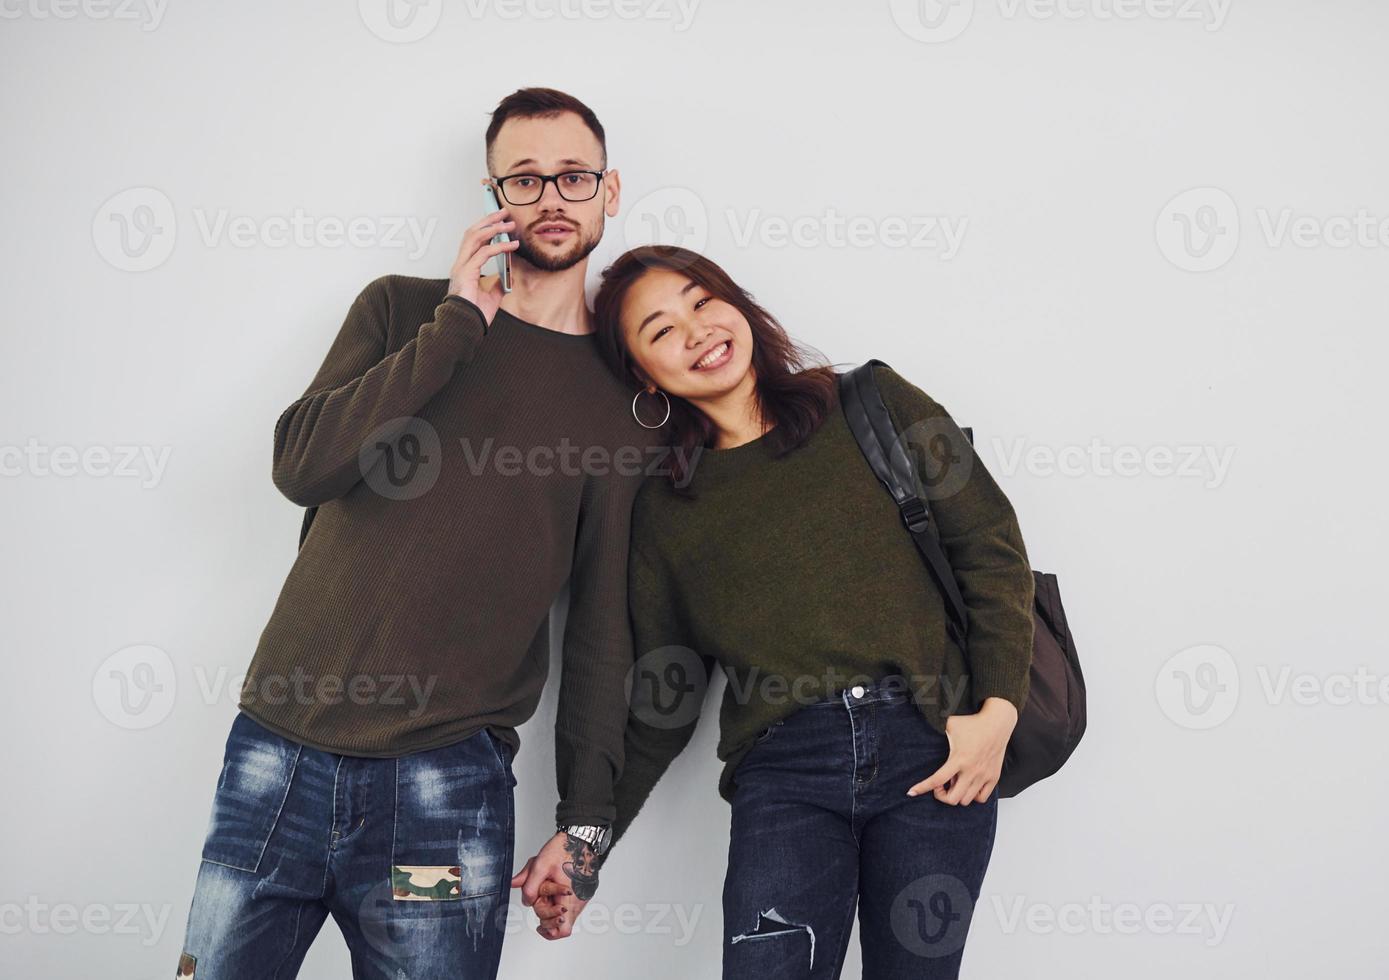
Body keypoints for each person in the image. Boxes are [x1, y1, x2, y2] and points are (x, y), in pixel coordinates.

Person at [173, 88, 650, 980]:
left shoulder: (623, 405)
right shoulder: (403, 311)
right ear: (493, 194)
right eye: (526, 178)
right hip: (274, 763)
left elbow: (600, 631)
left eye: (574, 176)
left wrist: (587, 825)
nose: (552, 196)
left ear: (610, 190)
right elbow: (302, 468)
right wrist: (460, 323)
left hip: (440, 798)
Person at [533, 244, 1036, 978]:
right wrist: (585, 845)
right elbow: (663, 702)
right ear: (645, 373)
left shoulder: (873, 402)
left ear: (736, 303)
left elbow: (991, 551)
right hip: (784, 773)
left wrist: (998, 713)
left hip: (930, 748)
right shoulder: (668, 510)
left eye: (702, 301)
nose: (697, 330)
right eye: (662, 329)